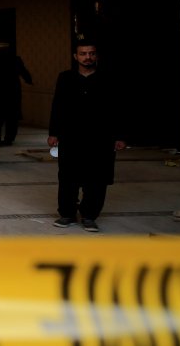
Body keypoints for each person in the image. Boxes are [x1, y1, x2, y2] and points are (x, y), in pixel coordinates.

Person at [47, 39, 126, 233]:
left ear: (96, 56)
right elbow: (58, 106)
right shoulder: (65, 78)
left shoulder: (109, 78)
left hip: (101, 137)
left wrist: (120, 136)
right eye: (83, 53)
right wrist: (53, 132)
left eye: (91, 53)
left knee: (97, 178)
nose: (87, 57)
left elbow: (120, 109)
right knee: (68, 177)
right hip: (71, 136)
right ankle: (67, 213)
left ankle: (90, 215)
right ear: (76, 56)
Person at [0, 41, 33, 146]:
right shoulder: (15, 59)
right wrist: (29, 80)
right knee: (11, 118)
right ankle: (9, 139)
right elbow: (24, 72)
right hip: (12, 93)